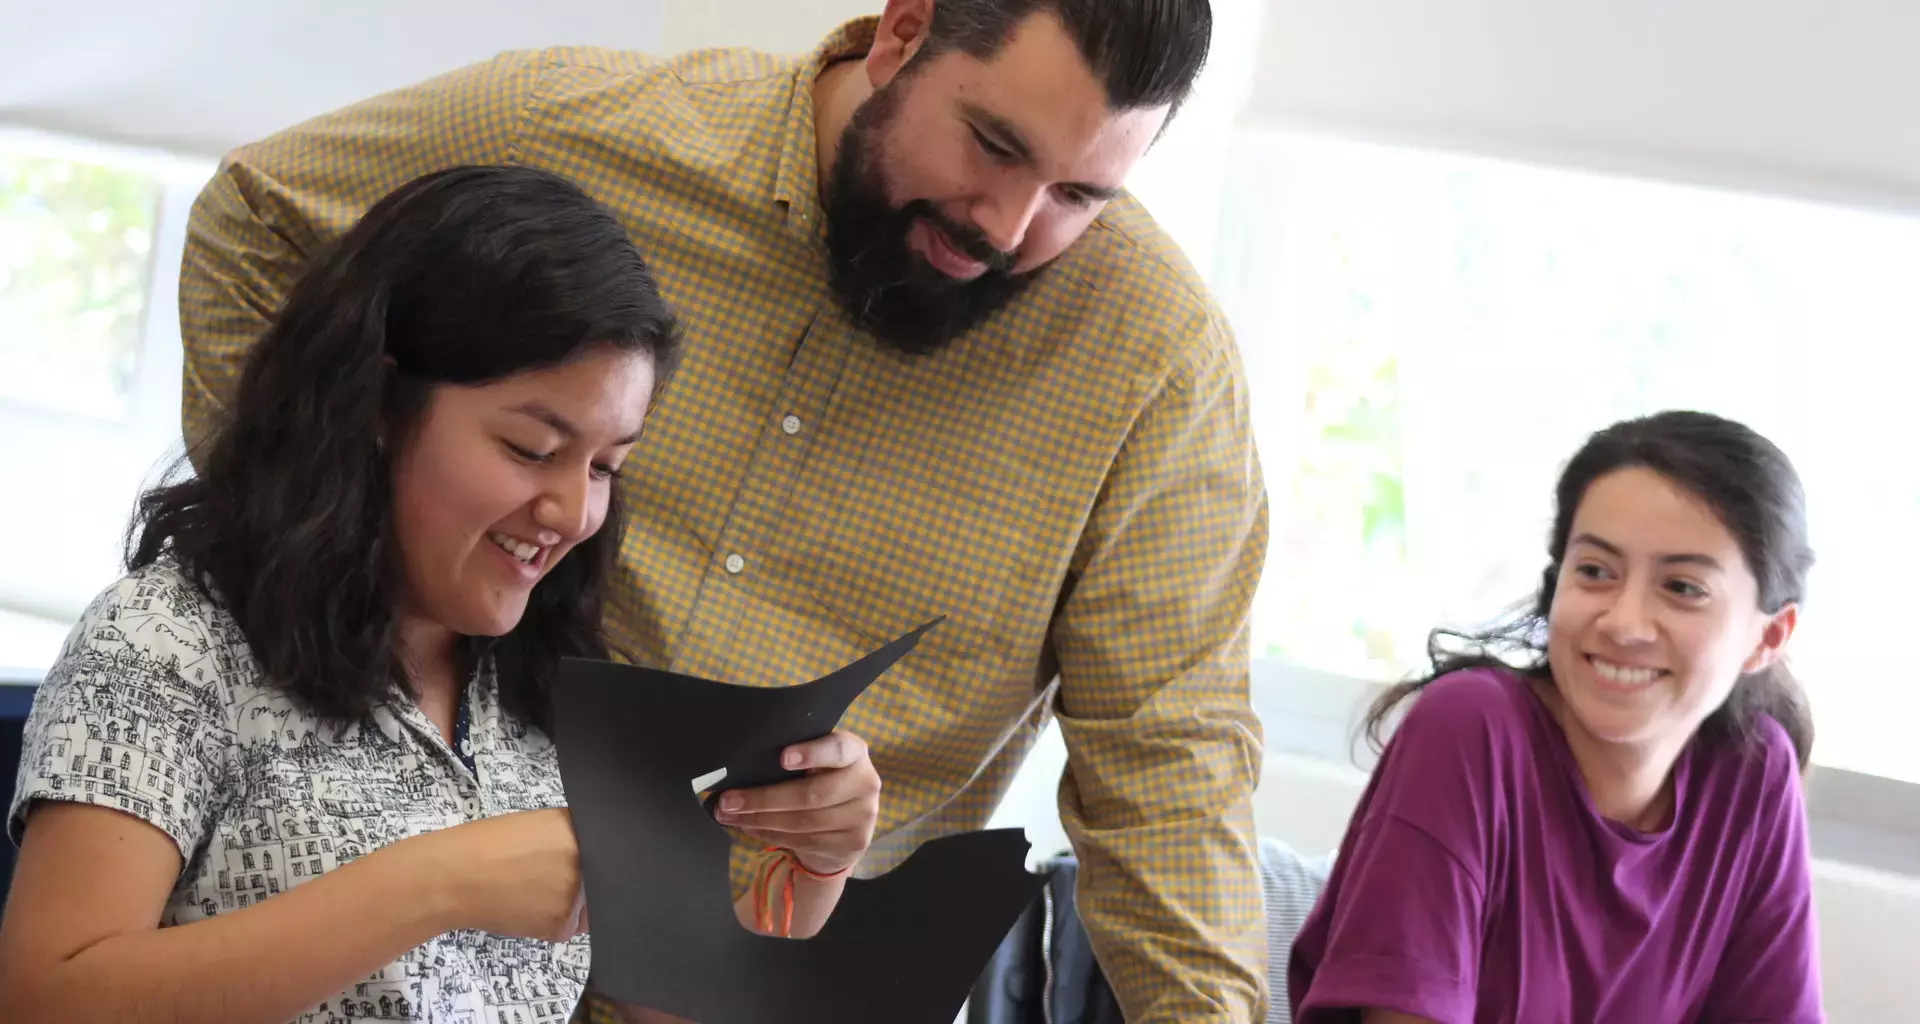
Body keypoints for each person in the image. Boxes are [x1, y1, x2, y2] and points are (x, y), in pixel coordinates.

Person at [173, 1, 1271, 1021]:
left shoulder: (1156, 370)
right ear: (901, 33)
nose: (1010, 225)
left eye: (1082, 197)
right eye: (993, 144)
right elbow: (255, 218)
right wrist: (319, 575)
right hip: (400, 953)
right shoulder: (573, 124)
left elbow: (1174, 784)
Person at [0, 166, 881, 1024]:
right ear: (381, 403)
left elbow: (686, 1008)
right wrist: (436, 882)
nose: (574, 511)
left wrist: (812, 864)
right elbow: (49, 1000)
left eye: (607, 466)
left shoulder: (552, 690)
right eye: (532, 449)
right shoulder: (167, 645)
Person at [1289, 410, 1824, 1024]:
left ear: (1769, 636)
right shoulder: (1469, 730)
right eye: (1596, 572)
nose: (1624, 622)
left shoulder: (1753, 772)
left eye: (1682, 587)